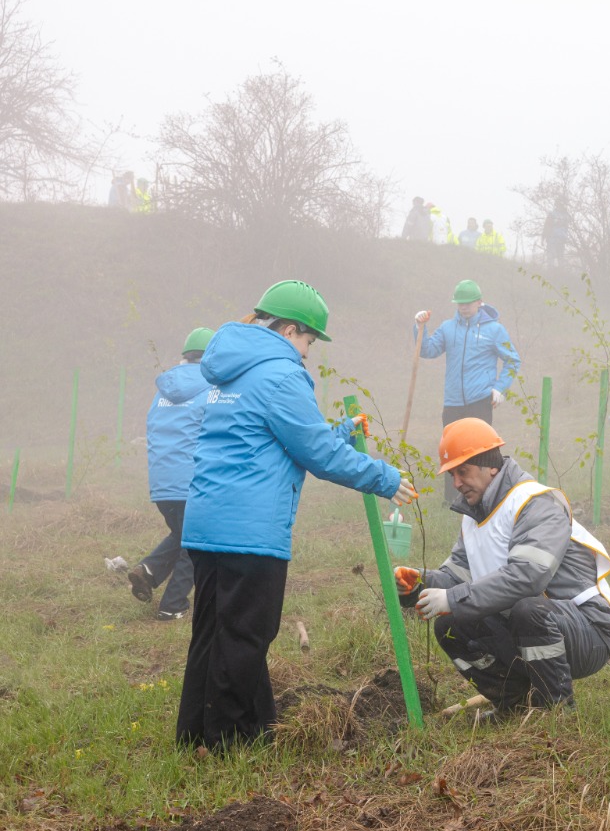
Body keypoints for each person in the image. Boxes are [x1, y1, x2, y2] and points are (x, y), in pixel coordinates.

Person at [178, 281, 416, 751]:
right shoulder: (281, 373)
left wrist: (340, 431)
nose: (308, 353)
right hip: (251, 530)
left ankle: (198, 734)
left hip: (207, 523)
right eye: (309, 341)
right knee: (247, 634)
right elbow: (317, 453)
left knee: (212, 630)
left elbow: (280, 436)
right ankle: (231, 742)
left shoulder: (233, 370)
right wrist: (384, 478)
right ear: (289, 330)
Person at [396, 419, 610, 719]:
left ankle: (555, 711)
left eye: (462, 471)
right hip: (528, 623)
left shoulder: (536, 503)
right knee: (449, 626)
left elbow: (528, 577)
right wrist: (419, 583)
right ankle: (513, 706)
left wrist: (451, 598)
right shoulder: (474, 516)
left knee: (529, 610)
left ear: (491, 466)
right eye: (452, 475)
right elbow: (457, 577)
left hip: (590, 631)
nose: (457, 483)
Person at [127, 327, 216, 621]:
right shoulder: (211, 389)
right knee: (196, 543)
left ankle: (148, 570)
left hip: (162, 484)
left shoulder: (162, 392)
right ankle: (172, 606)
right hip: (192, 483)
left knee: (182, 533)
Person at [413, 279, 521, 428]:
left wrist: (500, 388)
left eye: (467, 303)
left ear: (479, 302)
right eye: (460, 303)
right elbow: (426, 351)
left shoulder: (495, 330)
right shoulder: (447, 328)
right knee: (453, 450)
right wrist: (420, 327)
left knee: (480, 451)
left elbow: (513, 361)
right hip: (452, 403)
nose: (463, 307)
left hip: (480, 402)